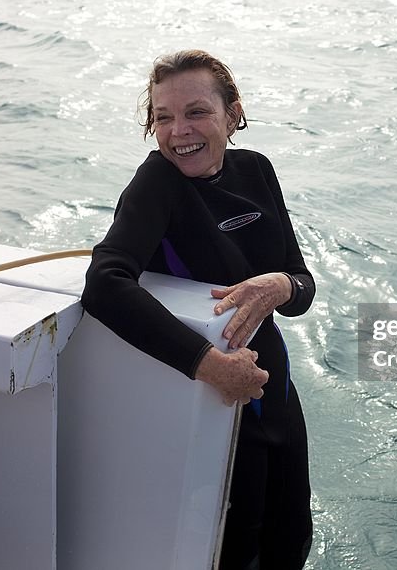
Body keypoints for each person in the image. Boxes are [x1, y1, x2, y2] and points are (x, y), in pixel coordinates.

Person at [82, 49, 315, 569]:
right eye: (162, 117)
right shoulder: (157, 185)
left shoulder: (255, 170)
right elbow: (103, 284)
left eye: (196, 112)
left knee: (291, 538)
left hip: (276, 393)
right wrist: (210, 367)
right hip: (222, 408)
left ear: (232, 113)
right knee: (237, 550)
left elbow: (302, 286)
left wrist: (281, 285)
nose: (178, 131)